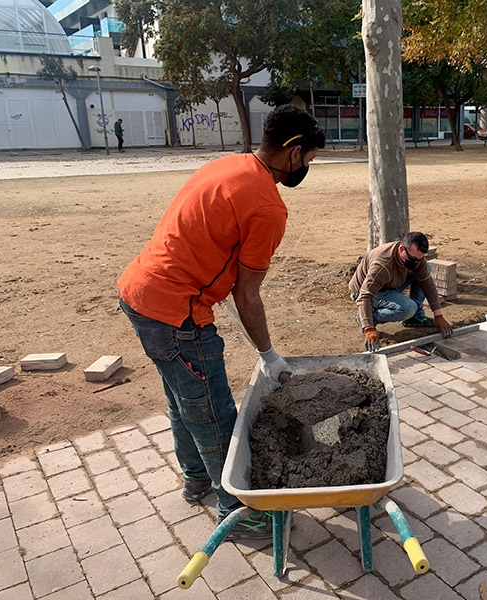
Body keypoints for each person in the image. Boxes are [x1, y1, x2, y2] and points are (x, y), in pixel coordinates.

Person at [117, 105, 325, 539]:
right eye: (309, 158)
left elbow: (212, 251)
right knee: (213, 412)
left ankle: (195, 479)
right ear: (292, 152)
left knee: (183, 399)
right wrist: (269, 355)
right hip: (176, 311)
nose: (307, 167)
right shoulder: (268, 206)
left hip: (139, 293)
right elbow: (247, 293)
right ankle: (237, 511)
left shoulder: (229, 165)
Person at [350, 231, 453, 352]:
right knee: (408, 308)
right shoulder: (382, 265)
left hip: (390, 283)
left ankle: (415, 318)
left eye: (419, 259)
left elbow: (428, 285)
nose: (415, 262)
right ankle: (369, 317)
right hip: (367, 291)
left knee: (425, 268)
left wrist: (438, 315)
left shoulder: (415, 260)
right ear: (401, 249)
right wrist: (368, 328)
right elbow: (364, 296)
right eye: (412, 258)